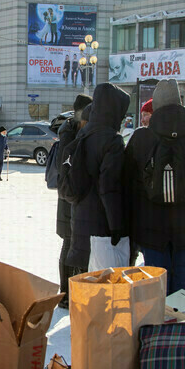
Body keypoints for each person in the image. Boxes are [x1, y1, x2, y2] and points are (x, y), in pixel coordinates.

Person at [124, 80, 185, 295]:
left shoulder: (141, 137)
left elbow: (127, 180)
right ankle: (178, 320)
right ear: (180, 103)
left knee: (154, 276)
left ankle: (156, 321)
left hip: (150, 223)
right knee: (181, 272)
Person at [70, 83, 130, 272]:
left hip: (80, 216)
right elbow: (108, 187)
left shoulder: (84, 133)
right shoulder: (112, 140)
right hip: (101, 221)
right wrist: (117, 226)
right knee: (102, 287)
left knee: (85, 284)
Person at [54, 93, 93, 308]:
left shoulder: (70, 130)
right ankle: (66, 293)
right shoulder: (71, 135)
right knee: (70, 242)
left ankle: (67, 292)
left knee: (70, 243)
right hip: (69, 195)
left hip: (68, 195)